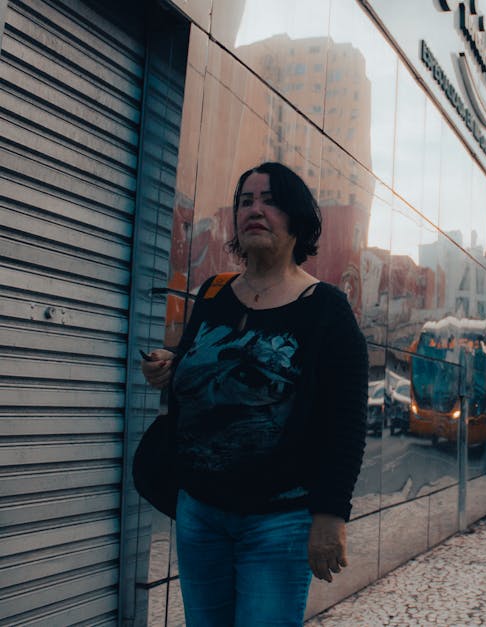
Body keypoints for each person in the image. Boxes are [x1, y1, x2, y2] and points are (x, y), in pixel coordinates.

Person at [141, 161, 368, 626]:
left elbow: (346, 423)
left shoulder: (326, 309)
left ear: (297, 219)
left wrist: (331, 515)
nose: (254, 210)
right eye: (245, 201)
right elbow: (197, 366)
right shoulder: (214, 293)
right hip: (200, 512)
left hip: (278, 520)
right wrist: (170, 367)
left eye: (269, 200)